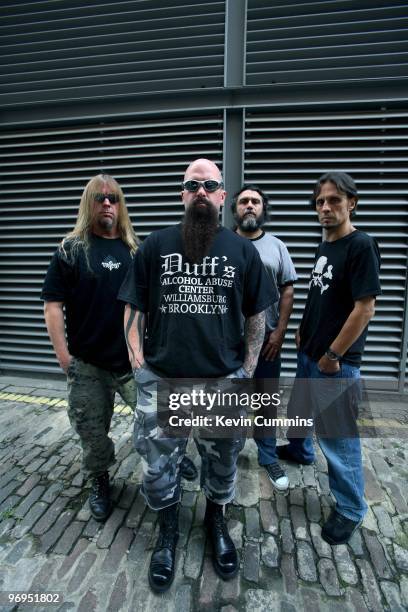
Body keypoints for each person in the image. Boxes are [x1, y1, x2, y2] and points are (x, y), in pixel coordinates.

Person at [119, 158, 276, 592]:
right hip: (163, 383)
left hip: (221, 383)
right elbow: (134, 308)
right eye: (193, 185)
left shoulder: (243, 251)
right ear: (182, 195)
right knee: (158, 469)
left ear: (222, 196)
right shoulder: (155, 246)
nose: (201, 192)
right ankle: (167, 532)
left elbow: (256, 318)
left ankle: (215, 523)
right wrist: (139, 366)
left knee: (222, 464)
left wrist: (245, 372)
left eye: (210, 186)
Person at [41, 174, 196, 522]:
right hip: (89, 366)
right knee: (92, 432)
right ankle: (100, 479)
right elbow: (52, 306)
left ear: (121, 205)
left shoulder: (136, 251)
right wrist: (65, 358)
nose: (107, 204)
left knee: (160, 421)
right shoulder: (71, 250)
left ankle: (171, 458)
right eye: (100, 198)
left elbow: (156, 304)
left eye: (113, 198)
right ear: (89, 204)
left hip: (134, 362)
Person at [277, 171, 381, 545]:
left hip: (335, 361)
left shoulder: (361, 245)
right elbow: (321, 294)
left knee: (338, 438)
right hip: (312, 351)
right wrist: (304, 329)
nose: (325, 207)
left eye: (335, 200)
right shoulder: (326, 245)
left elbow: (364, 308)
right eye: (320, 201)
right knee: (300, 409)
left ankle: (351, 508)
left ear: (351, 203)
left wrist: (334, 354)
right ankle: (299, 449)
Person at [232, 185, 297, 492]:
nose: (249, 206)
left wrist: (280, 332)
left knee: (265, 402)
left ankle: (268, 455)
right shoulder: (222, 243)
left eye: (255, 202)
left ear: (262, 209)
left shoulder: (277, 246)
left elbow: (288, 290)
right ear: (234, 209)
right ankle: (225, 456)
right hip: (228, 341)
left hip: (268, 341)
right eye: (244, 201)